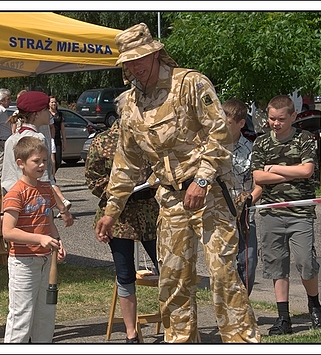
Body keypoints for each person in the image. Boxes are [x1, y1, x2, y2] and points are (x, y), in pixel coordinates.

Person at [95, 23, 260, 343]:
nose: (134, 66)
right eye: (127, 62)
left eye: (140, 58)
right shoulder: (128, 105)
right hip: (169, 199)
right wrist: (111, 211)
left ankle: (242, 342)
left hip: (208, 192)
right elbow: (126, 162)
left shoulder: (191, 84)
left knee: (224, 277)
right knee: (172, 282)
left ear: (156, 54)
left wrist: (201, 178)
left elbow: (220, 135)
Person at [85, 90, 159, 343]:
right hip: (119, 219)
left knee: (169, 270)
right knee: (125, 275)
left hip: (151, 214)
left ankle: (175, 329)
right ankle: (131, 334)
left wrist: (153, 182)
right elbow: (93, 180)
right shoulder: (103, 141)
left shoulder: (152, 137)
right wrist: (121, 189)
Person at [251, 94, 321, 335]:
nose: (276, 123)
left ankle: (315, 305)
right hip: (272, 211)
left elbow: (307, 171)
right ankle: (283, 317)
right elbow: (258, 177)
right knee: (276, 265)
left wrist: (274, 168)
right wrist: (290, 172)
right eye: (272, 119)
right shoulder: (261, 143)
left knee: (305, 262)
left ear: (293, 117)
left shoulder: (305, 139)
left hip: (300, 211)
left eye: (281, 119)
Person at [2, 136, 67, 343]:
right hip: (23, 262)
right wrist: (40, 239)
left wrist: (57, 241)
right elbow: (8, 232)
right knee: (21, 317)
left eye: (44, 161)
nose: (41, 165)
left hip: (46, 260)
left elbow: (48, 222)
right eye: (36, 161)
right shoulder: (15, 193)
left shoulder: (47, 189)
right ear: (21, 163)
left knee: (46, 316)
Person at [1, 91, 74, 227]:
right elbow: (44, 180)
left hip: (15, 204)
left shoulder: (11, 139)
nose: (49, 112)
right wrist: (62, 209)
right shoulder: (38, 138)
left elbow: (6, 179)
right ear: (36, 113)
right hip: (36, 206)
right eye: (46, 109)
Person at [222, 98, 262, 295]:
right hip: (219, 216)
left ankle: (244, 305)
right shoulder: (212, 149)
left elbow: (259, 185)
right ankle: (227, 310)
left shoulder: (252, 149)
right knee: (223, 266)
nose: (223, 126)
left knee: (248, 263)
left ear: (241, 123)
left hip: (245, 217)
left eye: (228, 123)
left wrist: (246, 205)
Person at [49, 95, 66, 173]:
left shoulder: (60, 114)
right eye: (52, 102)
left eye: (55, 102)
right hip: (50, 138)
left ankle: (53, 174)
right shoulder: (47, 114)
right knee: (52, 160)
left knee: (58, 160)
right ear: (49, 103)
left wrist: (64, 141)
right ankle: (52, 177)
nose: (54, 104)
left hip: (58, 139)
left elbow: (62, 128)